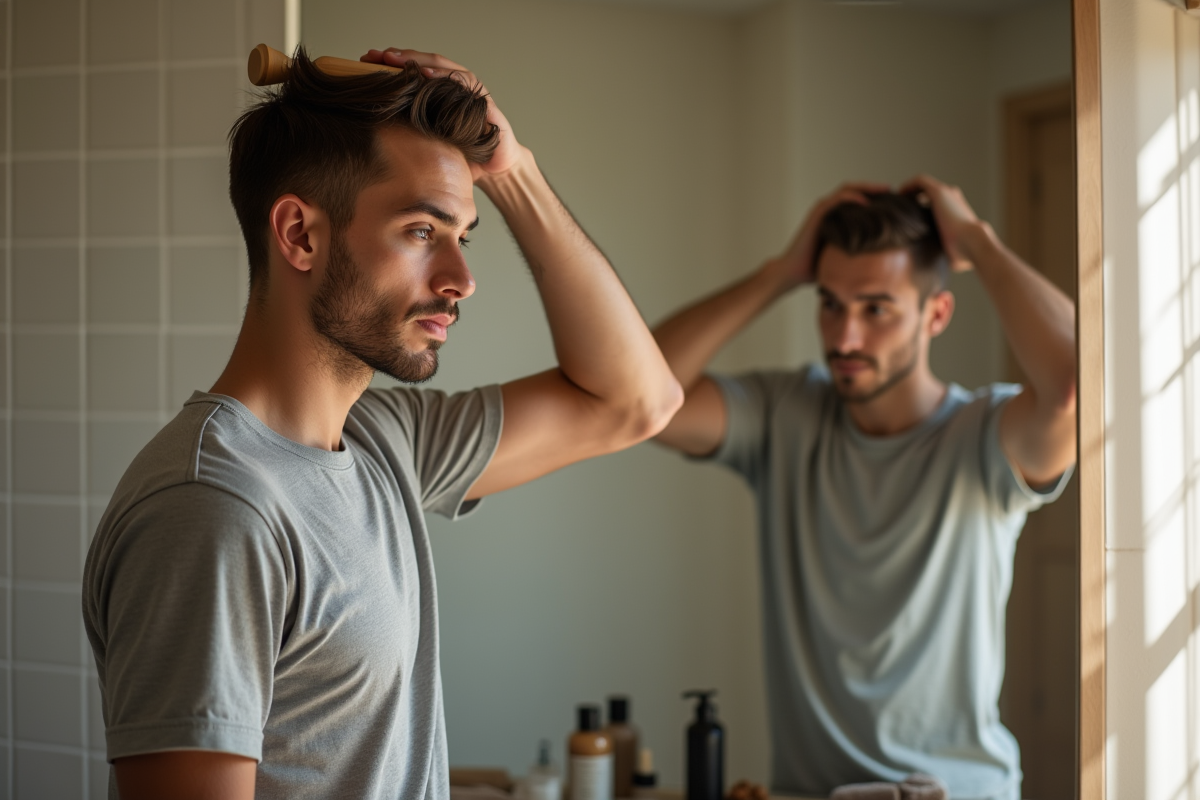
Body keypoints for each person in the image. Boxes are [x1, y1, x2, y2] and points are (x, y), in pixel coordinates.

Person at [82, 47, 682, 800]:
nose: (461, 281)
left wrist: (512, 168)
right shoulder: (213, 510)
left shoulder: (384, 443)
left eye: (464, 237)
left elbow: (637, 402)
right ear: (300, 235)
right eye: (423, 233)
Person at [653, 178, 1076, 800]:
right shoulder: (784, 416)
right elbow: (636, 393)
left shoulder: (986, 436)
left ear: (936, 314)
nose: (844, 338)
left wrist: (978, 244)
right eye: (830, 303)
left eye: (875, 308)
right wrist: (779, 273)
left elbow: (1073, 382)